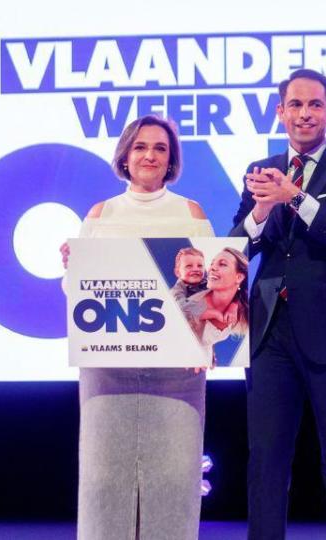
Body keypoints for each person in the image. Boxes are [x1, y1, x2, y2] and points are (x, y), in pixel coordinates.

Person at [230, 68, 326, 540]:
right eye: (295, 105)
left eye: (314, 105)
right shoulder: (261, 170)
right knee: (266, 460)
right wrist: (261, 209)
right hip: (269, 330)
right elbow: (237, 248)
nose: (304, 113)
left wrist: (294, 196)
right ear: (280, 113)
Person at [61, 115, 213, 539]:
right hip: (107, 371)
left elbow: (209, 289)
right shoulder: (101, 213)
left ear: (172, 160)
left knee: (175, 483)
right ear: (125, 156)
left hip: (176, 375)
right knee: (103, 483)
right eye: (141, 146)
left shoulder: (190, 213)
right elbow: (76, 292)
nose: (150, 155)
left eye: (160, 148)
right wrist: (71, 269)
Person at [180, 247, 250, 350]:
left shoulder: (243, 309)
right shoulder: (193, 297)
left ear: (238, 277)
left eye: (222, 264)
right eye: (212, 263)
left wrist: (234, 304)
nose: (212, 268)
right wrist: (213, 313)